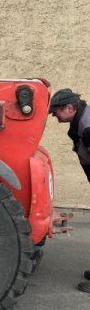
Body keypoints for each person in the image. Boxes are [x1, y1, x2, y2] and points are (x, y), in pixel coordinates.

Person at [49, 88, 90, 292]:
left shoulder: (87, 127)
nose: (54, 116)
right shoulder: (81, 120)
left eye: (56, 111)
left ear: (69, 108)